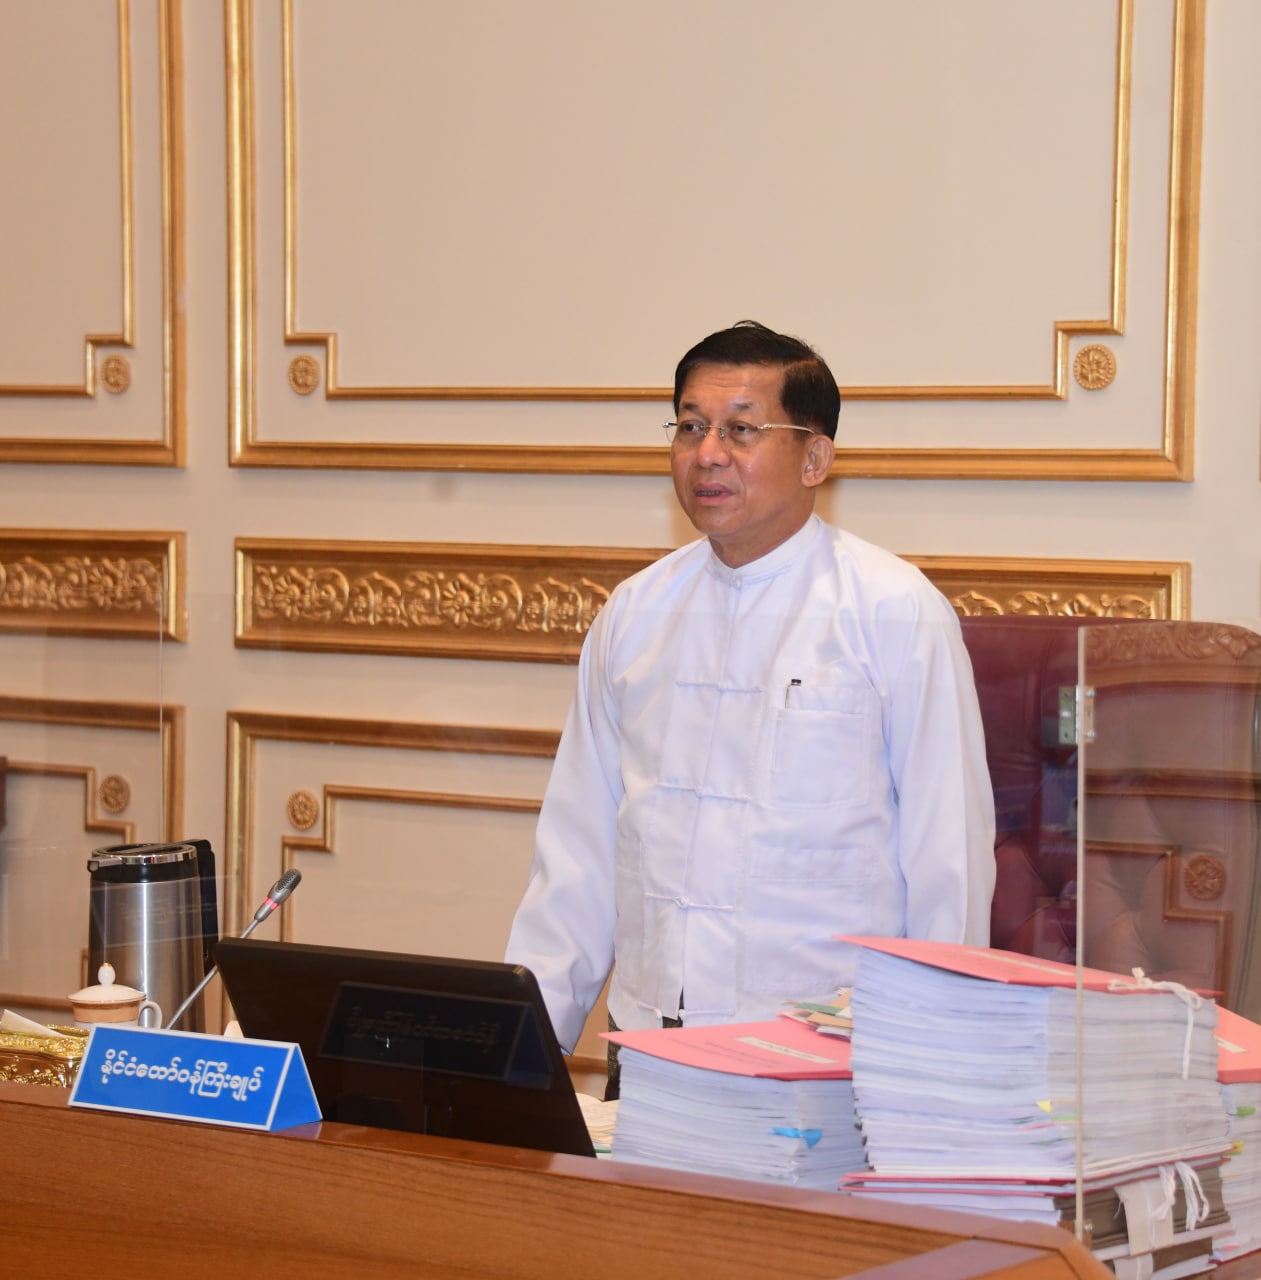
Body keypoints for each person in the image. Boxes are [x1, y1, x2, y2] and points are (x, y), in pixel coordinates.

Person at [506, 320, 996, 1087]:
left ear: (814, 458)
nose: (707, 453)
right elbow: (578, 856)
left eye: (740, 429)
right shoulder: (635, 612)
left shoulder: (892, 610)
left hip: (823, 1063)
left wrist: (932, 1076)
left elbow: (947, 865)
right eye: (689, 427)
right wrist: (520, 1058)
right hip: (649, 1049)